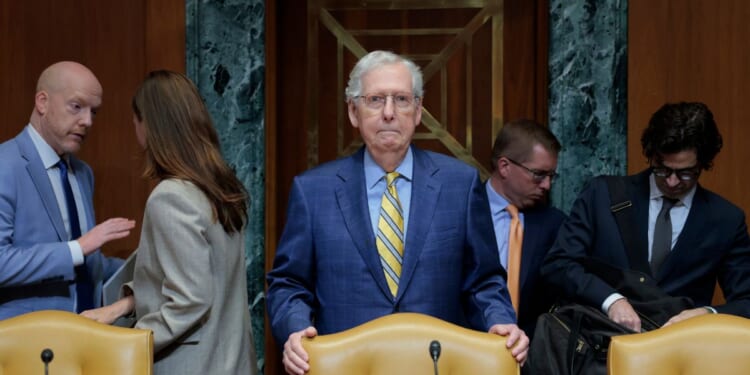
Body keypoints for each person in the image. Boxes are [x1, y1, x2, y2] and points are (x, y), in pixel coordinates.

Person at [266, 50, 528, 375]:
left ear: (418, 111)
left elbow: (484, 280)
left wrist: (499, 321)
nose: (389, 113)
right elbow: (289, 283)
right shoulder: (312, 191)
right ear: (353, 111)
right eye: (375, 99)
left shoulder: (459, 184)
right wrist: (294, 330)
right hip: (345, 367)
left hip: (437, 365)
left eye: (402, 100)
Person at [81, 70, 257, 374]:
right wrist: (122, 306)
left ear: (147, 124)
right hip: (233, 362)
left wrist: (126, 344)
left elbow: (190, 299)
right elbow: (199, 273)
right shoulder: (220, 187)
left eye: (135, 119)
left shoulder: (170, 197)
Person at [542, 101, 750, 333]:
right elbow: (558, 264)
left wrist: (706, 314)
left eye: (685, 173)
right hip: (599, 347)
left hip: (679, 354)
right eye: (662, 169)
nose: (671, 182)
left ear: (703, 164)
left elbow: (746, 301)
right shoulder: (603, 195)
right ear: (650, 155)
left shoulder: (726, 220)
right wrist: (611, 300)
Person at [0, 61, 135, 319]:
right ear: (42, 102)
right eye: (77, 107)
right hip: (23, 346)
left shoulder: (83, 174)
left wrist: (142, 267)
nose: (87, 121)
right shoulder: (4, 166)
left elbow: (83, 263)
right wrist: (77, 248)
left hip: (85, 341)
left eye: (94, 112)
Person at [485, 119, 566, 339]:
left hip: (528, 354)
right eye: (538, 174)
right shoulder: (463, 211)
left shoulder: (554, 224)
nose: (547, 185)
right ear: (504, 166)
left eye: (551, 176)